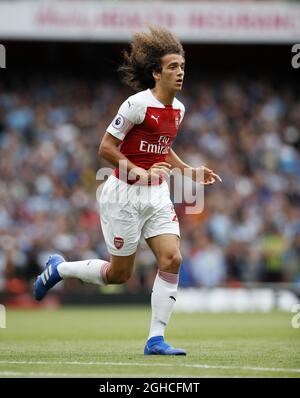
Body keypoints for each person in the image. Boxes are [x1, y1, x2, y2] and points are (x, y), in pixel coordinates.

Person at [33, 26, 221, 355]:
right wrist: (140, 172)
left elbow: (163, 149)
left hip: (156, 193)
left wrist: (188, 171)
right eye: (173, 67)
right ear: (155, 72)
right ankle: (59, 269)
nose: (180, 73)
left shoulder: (179, 110)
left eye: (182, 67)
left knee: (172, 257)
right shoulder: (136, 104)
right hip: (122, 194)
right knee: (119, 274)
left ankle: (155, 339)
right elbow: (106, 148)